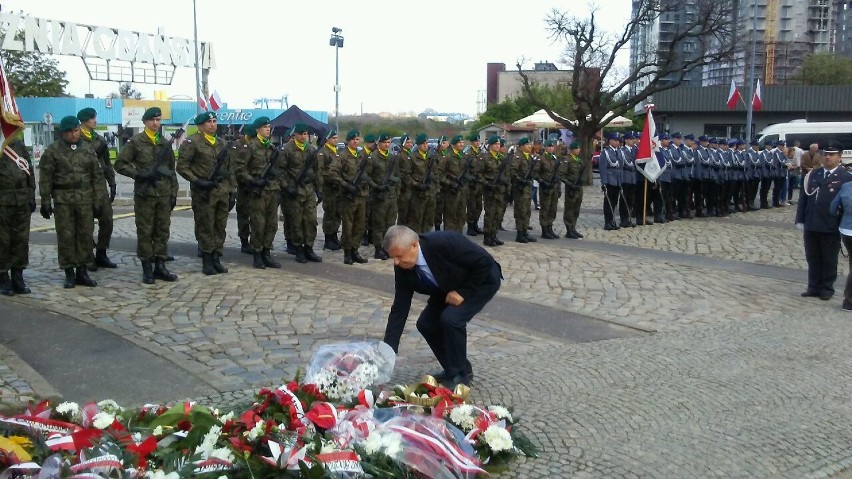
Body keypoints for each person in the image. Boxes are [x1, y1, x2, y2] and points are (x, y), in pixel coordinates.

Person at [382, 225, 502, 389]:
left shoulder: (443, 242)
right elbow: (400, 305)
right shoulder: (402, 265)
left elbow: (485, 261)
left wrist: (463, 292)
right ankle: (455, 367)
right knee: (426, 324)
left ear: (414, 245)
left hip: (480, 280)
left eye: (399, 256)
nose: (396, 262)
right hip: (446, 287)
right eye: (392, 257)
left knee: (451, 319)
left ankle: (459, 376)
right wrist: (389, 348)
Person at [39, 116, 107, 288]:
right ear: (63, 133)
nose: (74, 134)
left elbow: (97, 177)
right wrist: (45, 200)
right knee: (66, 236)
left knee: (85, 235)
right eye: (70, 132)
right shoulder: (53, 151)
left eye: (76, 130)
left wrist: (98, 200)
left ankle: (82, 271)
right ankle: (69, 272)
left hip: (85, 200)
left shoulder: (88, 150)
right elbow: (45, 178)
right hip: (63, 201)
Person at [114, 107, 179, 284]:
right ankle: (147, 268)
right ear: (145, 122)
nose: (156, 123)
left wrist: (173, 193)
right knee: (145, 232)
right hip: (145, 195)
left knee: (162, 231)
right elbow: (120, 164)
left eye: (158, 120)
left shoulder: (165, 143)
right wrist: (139, 174)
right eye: (152, 120)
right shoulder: (135, 142)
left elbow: (171, 170)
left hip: (163, 194)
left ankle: (160, 265)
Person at [177, 111, 236, 275]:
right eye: (209, 121)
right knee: (205, 226)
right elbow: (182, 167)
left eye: (214, 121)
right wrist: (197, 181)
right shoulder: (192, 142)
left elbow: (229, 169)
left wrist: (232, 190)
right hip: (203, 192)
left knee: (220, 227)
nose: (213, 124)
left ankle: (216, 257)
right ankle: (207, 260)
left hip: (221, 191)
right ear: (200, 125)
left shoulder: (222, 143)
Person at [796, 141, 852, 301]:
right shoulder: (814, 174)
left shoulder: (845, 177)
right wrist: (800, 219)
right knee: (812, 257)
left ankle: (827, 288)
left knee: (829, 258)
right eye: (825, 154)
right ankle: (813, 286)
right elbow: (804, 198)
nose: (827, 157)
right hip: (812, 222)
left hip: (831, 224)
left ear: (839, 157)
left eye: (831, 155)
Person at [235, 116, 283, 269]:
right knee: (258, 224)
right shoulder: (250, 147)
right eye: (264, 127)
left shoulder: (271, 148)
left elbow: (279, 170)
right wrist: (253, 181)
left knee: (272, 224)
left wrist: (278, 183)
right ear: (257, 130)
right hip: (257, 191)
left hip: (272, 190)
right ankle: (257, 254)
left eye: (269, 126)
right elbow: (239, 169)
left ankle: (267, 253)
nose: (268, 129)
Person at [77, 107, 117, 270]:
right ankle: (88, 255)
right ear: (85, 121)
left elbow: (107, 163)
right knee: (85, 224)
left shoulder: (100, 140)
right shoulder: (76, 139)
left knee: (107, 221)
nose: (95, 120)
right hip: (83, 187)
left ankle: (102, 253)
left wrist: (112, 182)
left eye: (95, 117)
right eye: (92, 118)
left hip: (100, 186)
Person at [281, 122, 322, 263]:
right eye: (301, 134)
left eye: (306, 134)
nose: (304, 136)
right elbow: (281, 171)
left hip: (309, 190)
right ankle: (298, 248)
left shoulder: (311, 149)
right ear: (295, 134)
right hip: (295, 190)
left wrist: (319, 189)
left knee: (311, 221)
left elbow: (317, 171)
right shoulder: (287, 149)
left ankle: (309, 248)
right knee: (296, 221)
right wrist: (287, 187)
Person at [0, 133, 35, 295]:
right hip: (2, 201)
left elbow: (29, 169)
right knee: (2, 240)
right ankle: (2, 277)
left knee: (21, 239)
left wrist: (31, 194)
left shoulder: (18, 145)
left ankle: (17, 275)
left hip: (21, 200)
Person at [331, 129, 371, 264]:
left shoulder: (361, 156)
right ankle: (347, 252)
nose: (355, 141)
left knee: (360, 225)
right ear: (348, 141)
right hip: (348, 196)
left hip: (361, 195)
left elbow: (367, 173)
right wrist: (346, 185)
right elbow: (333, 174)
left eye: (357, 139)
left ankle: (355, 250)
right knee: (348, 225)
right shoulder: (342, 156)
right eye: (353, 139)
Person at [367, 133, 400, 259]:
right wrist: (376, 187)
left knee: (390, 224)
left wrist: (396, 189)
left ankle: (388, 247)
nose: (387, 145)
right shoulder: (373, 157)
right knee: (378, 224)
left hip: (391, 195)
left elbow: (397, 175)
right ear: (379, 143)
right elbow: (367, 176)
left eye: (389, 142)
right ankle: (378, 248)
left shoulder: (392, 157)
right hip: (379, 196)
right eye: (384, 142)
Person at [478, 135, 509, 246]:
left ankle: (494, 234)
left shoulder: (501, 158)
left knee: (498, 214)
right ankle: (487, 236)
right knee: (490, 214)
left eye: (499, 144)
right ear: (490, 145)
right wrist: (487, 184)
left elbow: (506, 174)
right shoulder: (484, 158)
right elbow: (479, 174)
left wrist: (507, 188)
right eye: (495, 144)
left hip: (500, 190)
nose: (498, 146)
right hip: (490, 190)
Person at [829, 169, 852, 311]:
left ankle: (848, 300)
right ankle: (849, 299)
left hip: (846, 229)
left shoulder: (846, 186)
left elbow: (832, 209)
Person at [318, 130, 342, 251]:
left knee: (337, 214)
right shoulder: (323, 152)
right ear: (327, 139)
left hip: (337, 188)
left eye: (337, 138)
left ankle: (334, 236)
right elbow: (321, 171)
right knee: (329, 214)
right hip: (328, 188)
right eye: (333, 138)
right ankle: (328, 239)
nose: (336, 140)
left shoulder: (336, 152)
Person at [560, 141, 585, 239]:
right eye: (577, 148)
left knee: (576, 209)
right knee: (569, 209)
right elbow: (561, 175)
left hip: (578, 188)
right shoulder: (567, 160)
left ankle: (573, 228)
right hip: (571, 188)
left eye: (579, 148)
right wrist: (569, 184)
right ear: (572, 150)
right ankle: (569, 229)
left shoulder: (578, 160)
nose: (578, 150)